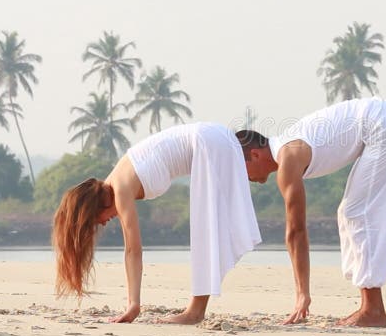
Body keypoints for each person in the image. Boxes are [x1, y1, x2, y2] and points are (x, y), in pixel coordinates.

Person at [52, 122, 261, 324]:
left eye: (96, 221)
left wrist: (134, 305)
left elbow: (133, 250)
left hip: (208, 140)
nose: (104, 224)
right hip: (214, 136)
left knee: (206, 226)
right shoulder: (116, 180)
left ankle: (195, 312)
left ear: (98, 206)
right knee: (212, 224)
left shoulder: (121, 189)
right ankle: (196, 309)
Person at [238, 97, 386, 327]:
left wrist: (303, 294)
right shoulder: (288, 148)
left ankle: (373, 311)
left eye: (242, 170)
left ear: (255, 155)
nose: (246, 178)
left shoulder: (288, 158)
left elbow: (296, 231)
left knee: (358, 212)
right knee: (349, 212)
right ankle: (370, 306)